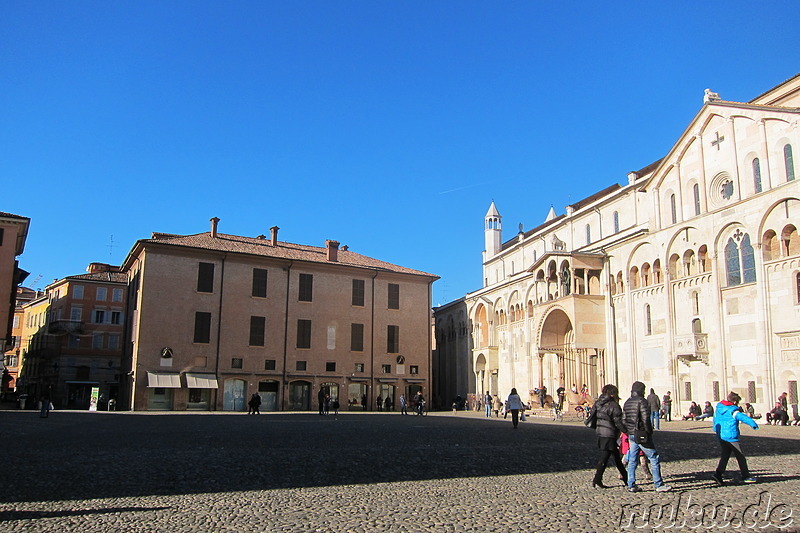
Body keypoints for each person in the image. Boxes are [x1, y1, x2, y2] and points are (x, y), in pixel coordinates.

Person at [623, 381, 672, 492]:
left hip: (631, 434)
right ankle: (658, 484)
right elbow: (646, 419)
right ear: (641, 390)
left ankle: (631, 484)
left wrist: (628, 431)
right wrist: (649, 431)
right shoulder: (642, 401)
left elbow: (623, 419)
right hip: (641, 433)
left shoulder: (627, 402)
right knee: (654, 457)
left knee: (632, 460)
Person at [712, 391, 759, 485]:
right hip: (731, 436)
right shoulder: (733, 410)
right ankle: (745, 476)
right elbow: (743, 417)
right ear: (734, 402)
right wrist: (753, 424)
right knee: (740, 457)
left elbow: (715, 420)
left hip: (721, 435)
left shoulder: (719, 408)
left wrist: (716, 431)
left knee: (725, 456)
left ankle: (718, 474)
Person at [591, 384, 628, 488]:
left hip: (600, 432)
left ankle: (625, 479)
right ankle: (597, 479)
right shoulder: (614, 405)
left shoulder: (598, 403)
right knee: (606, 457)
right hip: (609, 434)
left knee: (615, 457)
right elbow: (618, 422)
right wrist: (626, 431)